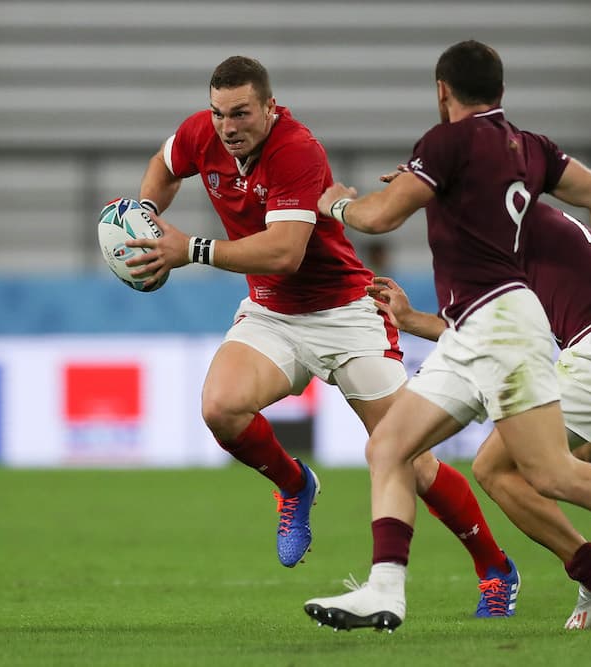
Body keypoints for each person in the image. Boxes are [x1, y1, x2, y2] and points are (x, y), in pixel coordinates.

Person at [303, 40, 591, 633]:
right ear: (501, 93)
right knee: (389, 447)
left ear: (441, 91)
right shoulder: (529, 148)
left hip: (501, 322)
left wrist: (337, 205)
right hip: (475, 327)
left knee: (551, 473)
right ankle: (385, 590)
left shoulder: (445, 142)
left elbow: (379, 217)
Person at [123, 55, 522, 616]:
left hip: (345, 316)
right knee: (221, 408)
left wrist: (190, 248)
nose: (227, 126)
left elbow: (284, 253)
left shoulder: (296, 150)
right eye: (219, 114)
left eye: (241, 113)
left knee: (413, 461)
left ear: (269, 106)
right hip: (272, 314)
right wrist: (144, 213)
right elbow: (162, 168)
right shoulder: (202, 132)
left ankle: (495, 568)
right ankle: (294, 484)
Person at [366, 201, 591, 628]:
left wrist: (346, 204)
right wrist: (413, 318)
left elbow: (482, 332)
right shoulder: (539, 221)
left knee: (496, 468)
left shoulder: (506, 232)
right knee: (585, 466)